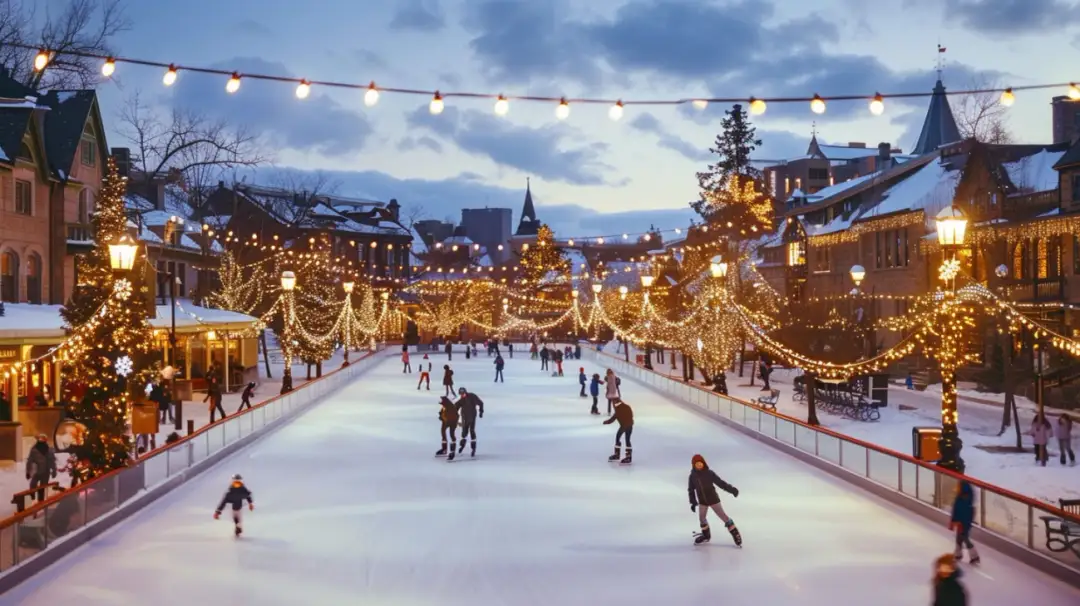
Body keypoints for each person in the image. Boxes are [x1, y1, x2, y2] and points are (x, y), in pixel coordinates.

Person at [687, 454, 742, 546]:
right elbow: (691, 490)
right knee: (702, 518)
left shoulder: (709, 473)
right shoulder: (692, 476)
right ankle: (706, 536)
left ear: (703, 463)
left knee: (723, 517)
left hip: (713, 499)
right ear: (694, 465)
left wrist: (732, 490)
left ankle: (735, 534)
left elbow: (720, 483)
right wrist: (693, 502)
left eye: (700, 463)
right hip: (702, 501)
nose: (699, 465)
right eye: (697, 464)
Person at [949, 480, 980, 564]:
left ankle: (974, 556)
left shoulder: (962, 500)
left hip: (962, 523)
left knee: (964, 538)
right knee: (959, 538)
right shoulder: (965, 499)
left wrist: (955, 521)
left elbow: (957, 511)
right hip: (962, 522)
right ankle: (958, 553)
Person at [603, 399, 634, 464]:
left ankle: (619, 455)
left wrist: (606, 422)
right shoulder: (626, 407)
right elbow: (631, 415)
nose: (613, 406)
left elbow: (613, 418)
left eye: (614, 404)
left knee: (619, 438)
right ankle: (627, 456)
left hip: (625, 425)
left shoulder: (619, 410)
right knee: (626, 440)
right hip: (629, 425)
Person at [455, 387, 484, 457]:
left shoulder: (472, 396)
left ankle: (473, 448)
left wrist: (481, 412)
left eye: (463, 394)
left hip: (472, 417)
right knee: (464, 432)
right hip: (465, 417)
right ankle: (462, 446)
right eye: (460, 394)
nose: (462, 396)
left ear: (465, 393)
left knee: (472, 431)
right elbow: (456, 406)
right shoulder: (462, 400)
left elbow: (480, 403)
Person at [436, 396, 459, 460]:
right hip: (445, 422)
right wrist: (441, 416)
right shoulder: (444, 406)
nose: (440, 401)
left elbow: (455, 416)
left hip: (452, 422)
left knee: (452, 435)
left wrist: (446, 419)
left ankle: (452, 451)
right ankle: (444, 449)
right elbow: (442, 413)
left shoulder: (450, 407)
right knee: (443, 432)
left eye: (441, 400)